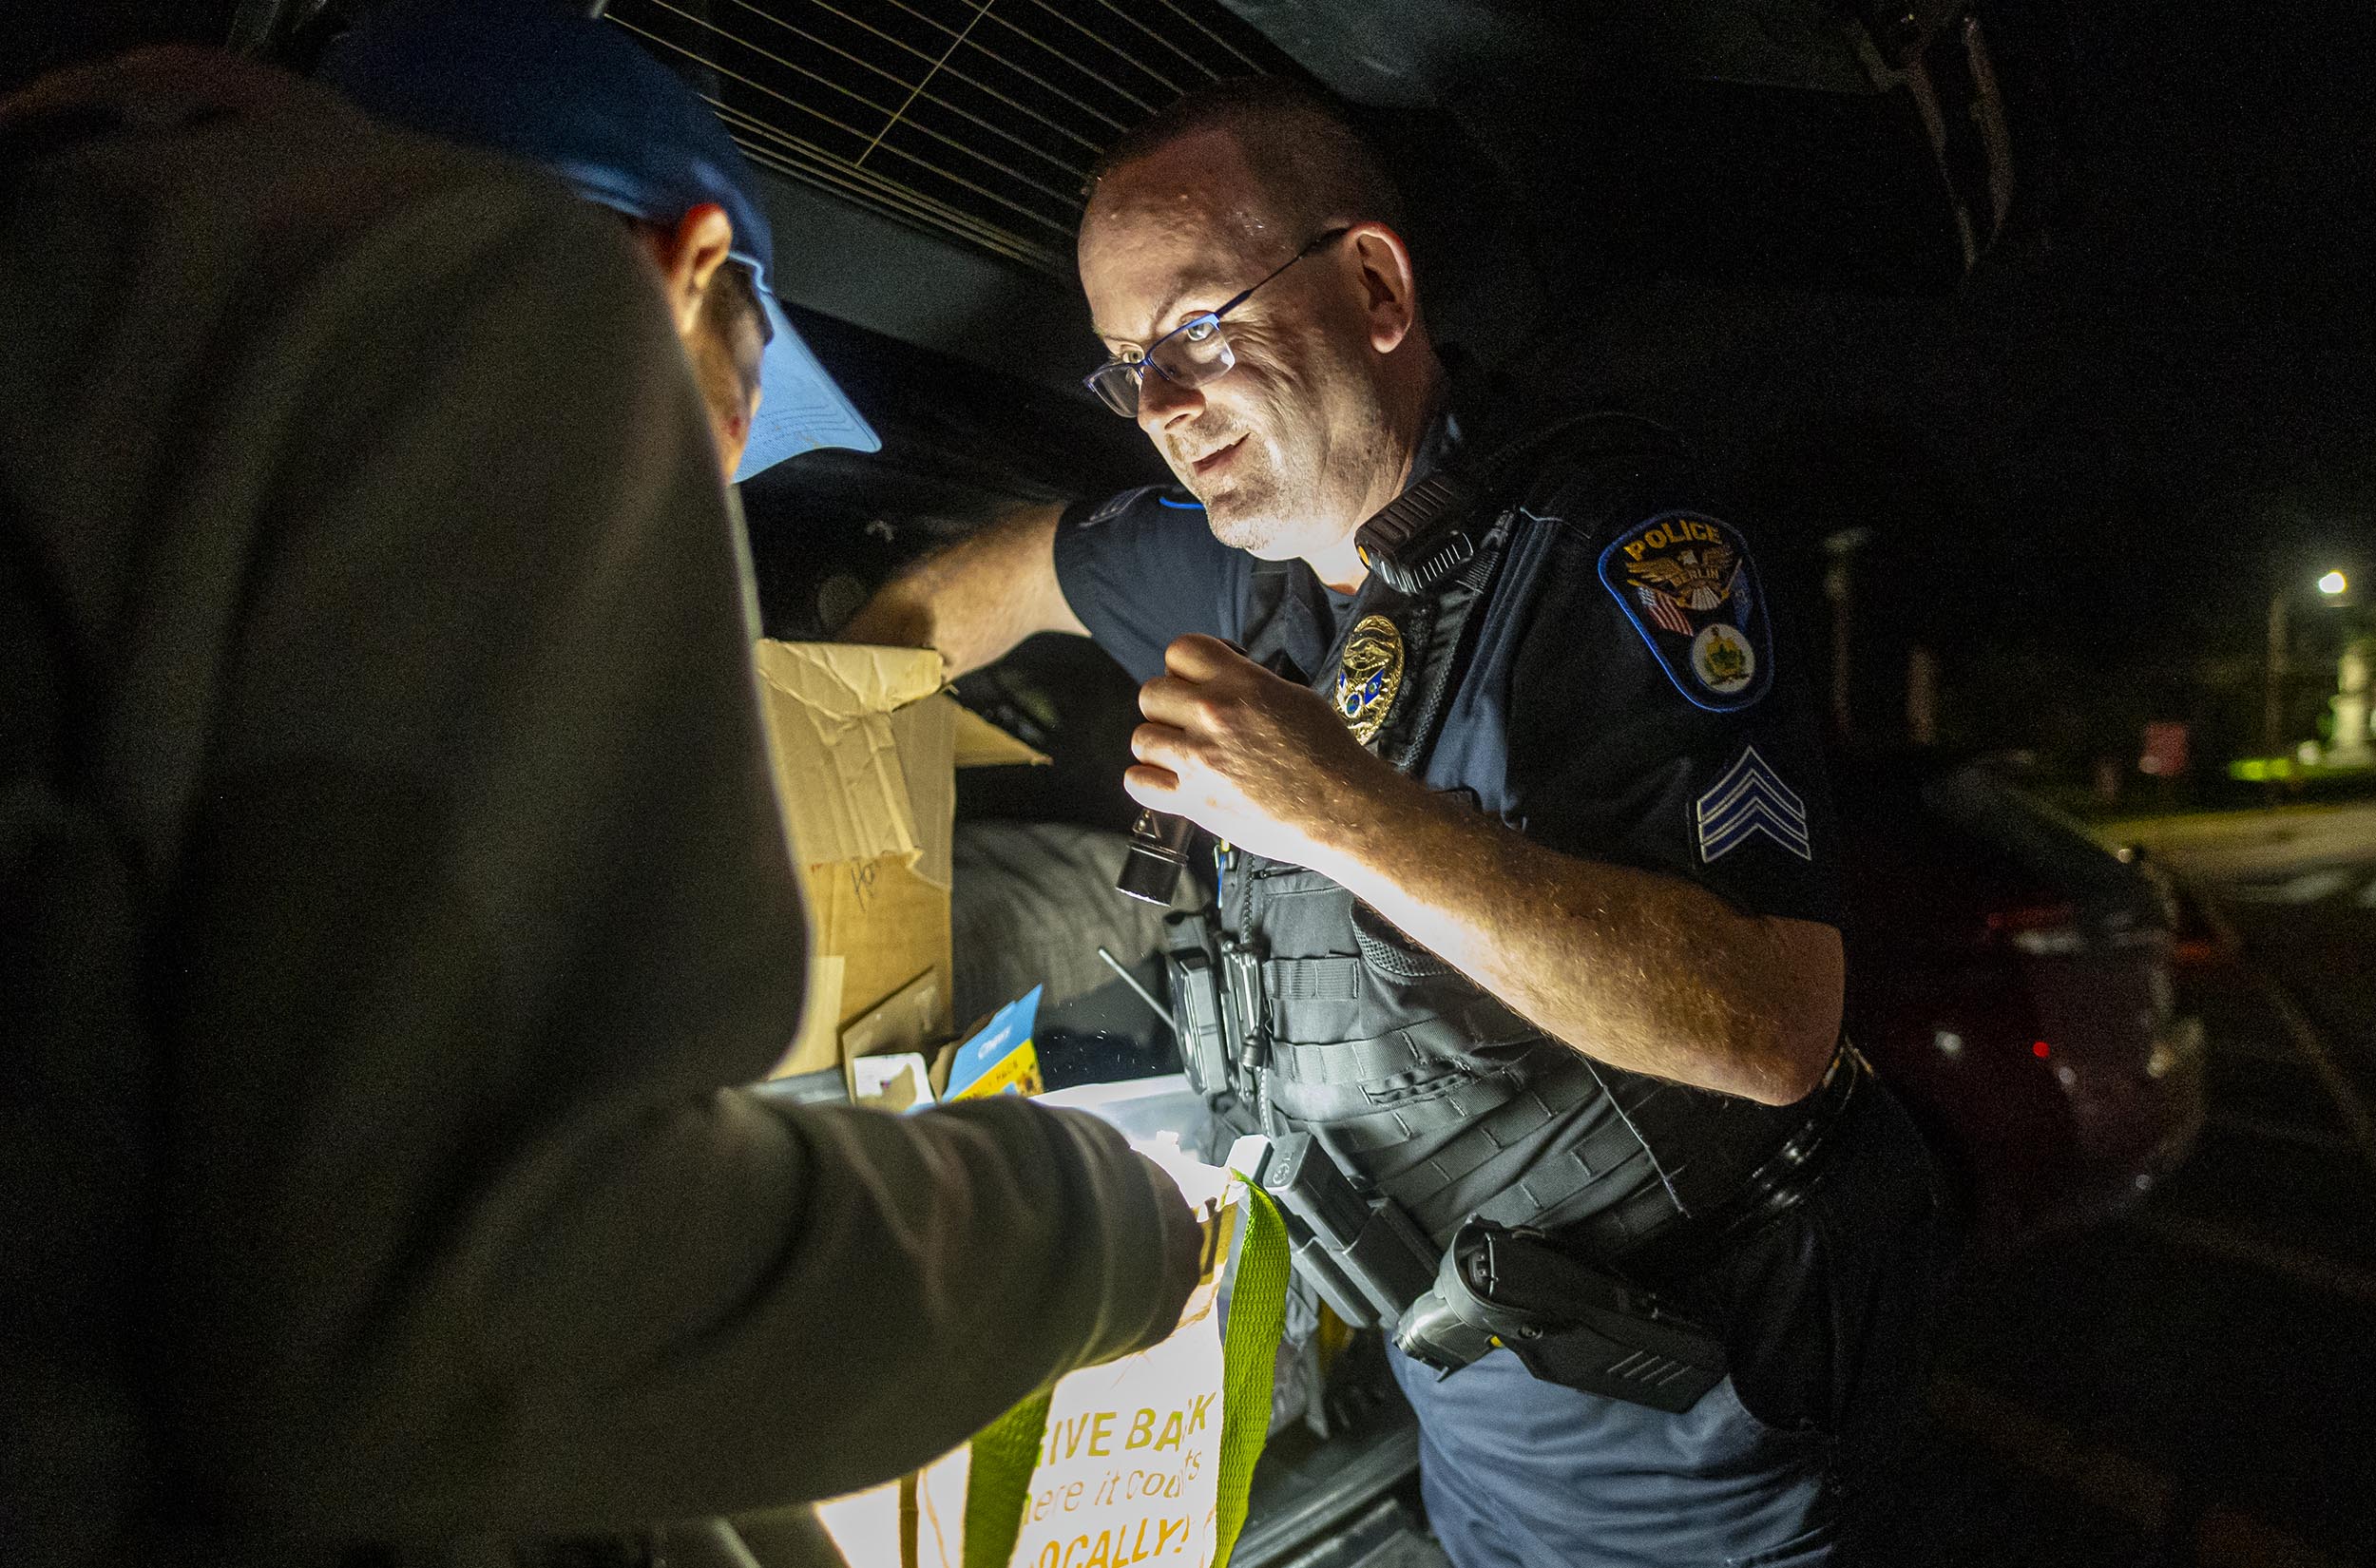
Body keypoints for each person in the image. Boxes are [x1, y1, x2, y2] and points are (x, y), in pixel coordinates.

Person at [0, 9, 1199, 1568]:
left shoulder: (106, 278)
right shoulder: (492, 292)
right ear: (697, 268)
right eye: (736, 400)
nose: (717, 466)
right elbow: (451, 1323)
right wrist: (1100, 1223)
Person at [846, 77, 1941, 1567]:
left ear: (1371, 285)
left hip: (1688, 1475)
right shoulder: (1232, 554)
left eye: (1194, 331)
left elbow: (1774, 1020)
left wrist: (1342, 812)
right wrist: (800, 758)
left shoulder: (1612, 545)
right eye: (1123, 368)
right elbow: (962, 593)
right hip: (1464, 1424)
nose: (1161, 410)